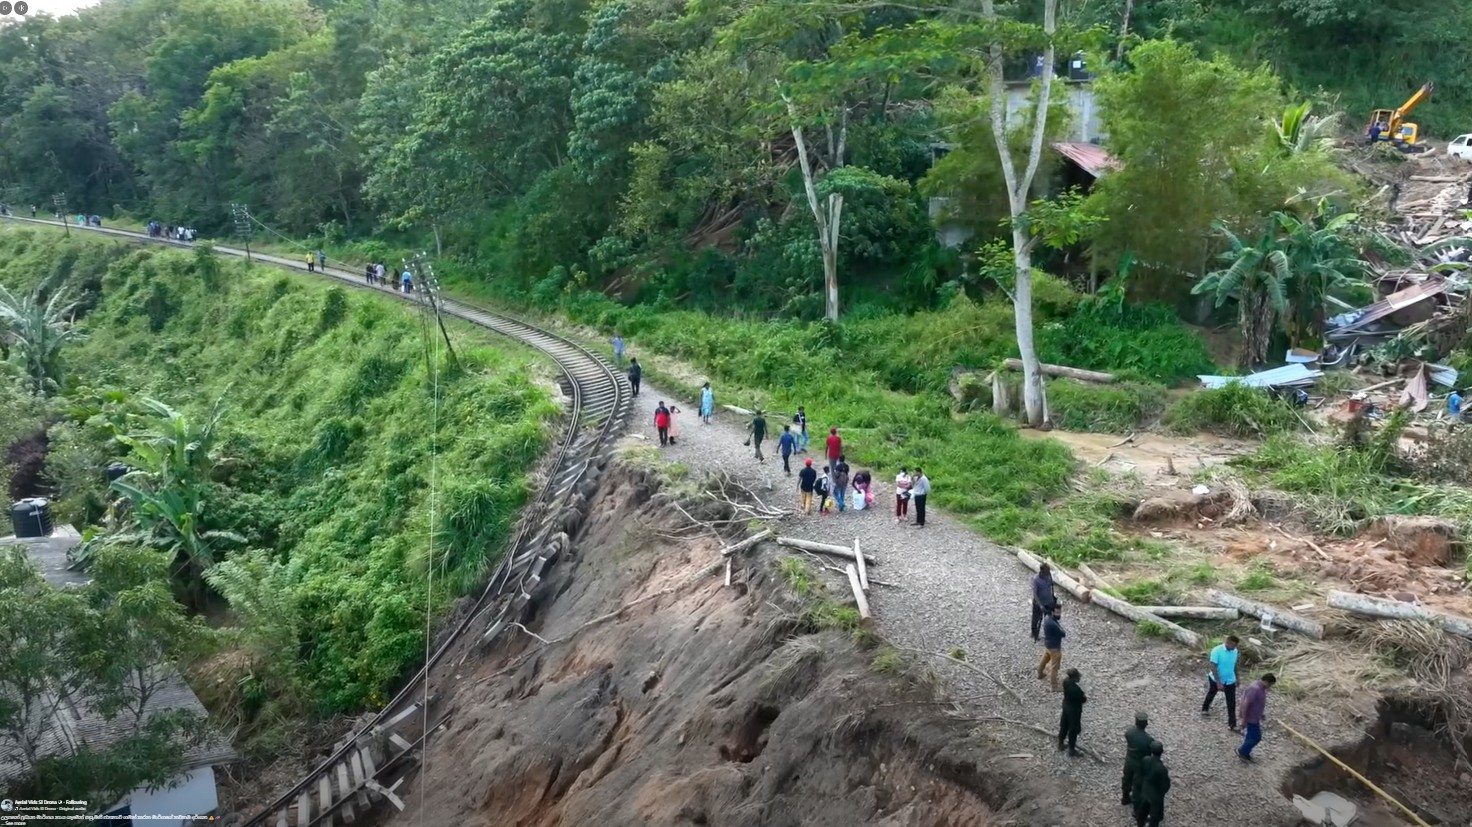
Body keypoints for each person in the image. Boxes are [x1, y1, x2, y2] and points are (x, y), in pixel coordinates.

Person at [1202, 635, 1241, 731]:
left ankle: (1232, 724)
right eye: (1233, 645)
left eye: (1236, 646)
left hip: (1230, 680)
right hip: (1216, 679)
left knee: (1231, 702)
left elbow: (1234, 665)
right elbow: (1213, 666)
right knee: (1212, 693)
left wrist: (1237, 677)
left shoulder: (1235, 651)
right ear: (1228, 642)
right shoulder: (1216, 651)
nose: (1234, 648)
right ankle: (1205, 708)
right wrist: (1218, 682)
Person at [1237, 673, 1276, 762]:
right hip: (1251, 718)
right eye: (1269, 684)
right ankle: (1242, 751)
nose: (1269, 687)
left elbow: (1257, 703)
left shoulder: (1260, 688)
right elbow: (1246, 704)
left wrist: (1261, 713)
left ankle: (1245, 753)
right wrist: (1244, 719)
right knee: (1256, 737)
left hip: (1255, 716)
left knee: (1250, 735)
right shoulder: (1255, 689)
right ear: (1265, 681)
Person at [1133, 742, 1171, 827]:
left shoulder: (1145, 759)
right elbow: (1166, 785)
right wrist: (1161, 793)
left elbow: (1139, 774)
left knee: (1141, 814)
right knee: (1154, 818)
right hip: (1155, 796)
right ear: (1161, 752)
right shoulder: (1162, 769)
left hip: (1145, 790)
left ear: (1151, 751)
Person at [1121, 712, 1153, 806]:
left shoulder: (1129, 733)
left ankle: (1125, 797)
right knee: (1137, 783)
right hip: (1139, 764)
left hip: (1129, 759)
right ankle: (1135, 803)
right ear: (1146, 724)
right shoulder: (1148, 739)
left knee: (1126, 778)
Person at [1058, 668, 1086, 756]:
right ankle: (1071, 749)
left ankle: (1060, 743)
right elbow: (1083, 699)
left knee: (1064, 725)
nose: (1079, 678)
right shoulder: (1076, 690)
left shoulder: (1065, 681)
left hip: (1066, 706)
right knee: (1073, 729)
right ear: (1074, 677)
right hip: (1074, 710)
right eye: (1078, 677)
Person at [1037, 605, 1064, 691]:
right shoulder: (1053, 623)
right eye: (1057, 612)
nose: (1059, 614)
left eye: (1059, 612)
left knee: (1044, 659)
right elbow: (1063, 633)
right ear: (1052, 612)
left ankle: (1040, 674)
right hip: (1055, 648)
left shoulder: (1047, 619)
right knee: (1054, 667)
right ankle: (1054, 686)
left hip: (1048, 645)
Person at [1031, 563, 1057, 642]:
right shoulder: (1036, 579)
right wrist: (1040, 605)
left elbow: (1051, 587)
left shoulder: (1049, 576)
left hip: (1049, 602)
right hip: (1039, 603)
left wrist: (1052, 598)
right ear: (1042, 571)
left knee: (1050, 618)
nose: (1048, 572)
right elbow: (1035, 594)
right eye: (1047, 571)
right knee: (1036, 619)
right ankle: (1034, 633)